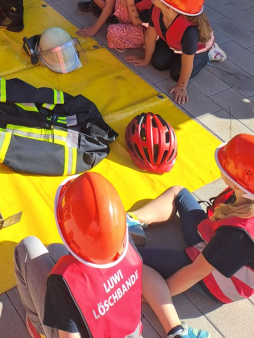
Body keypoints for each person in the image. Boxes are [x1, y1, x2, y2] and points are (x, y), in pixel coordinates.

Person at [14, 171, 209, 338]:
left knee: (27, 246)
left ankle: (37, 327)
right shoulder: (127, 243)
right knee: (56, 250)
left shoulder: (63, 279)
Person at [128, 133, 254, 306]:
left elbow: (196, 272)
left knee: (131, 257)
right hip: (214, 243)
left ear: (240, 181)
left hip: (218, 280)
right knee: (179, 192)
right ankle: (132, 220)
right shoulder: (246, 197)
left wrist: (160, 295)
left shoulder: (240, 234)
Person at [126, 0, 215, 105]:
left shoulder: (189, 31)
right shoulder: (157, 9)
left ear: (168, 7)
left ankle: (208, 55)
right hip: (174, 43)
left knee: (176, 75)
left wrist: (182, 86)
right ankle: (175, 55)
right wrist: (146, 59)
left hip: (194, 51)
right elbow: (150, 35)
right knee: (158, 63)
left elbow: (187, 60)